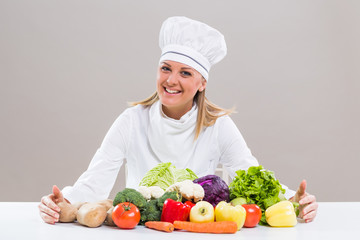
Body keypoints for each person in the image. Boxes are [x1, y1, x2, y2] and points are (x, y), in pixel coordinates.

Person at [38, 16, 318, 225]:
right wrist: (63, 202)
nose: (171, 80)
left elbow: (248, 173)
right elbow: (95, 180)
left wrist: (292, 201)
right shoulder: (132, 121)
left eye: (185, 73)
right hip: (141, 228)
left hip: (197, 229)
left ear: (202, 82)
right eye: (166, 69)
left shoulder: (218, 125)